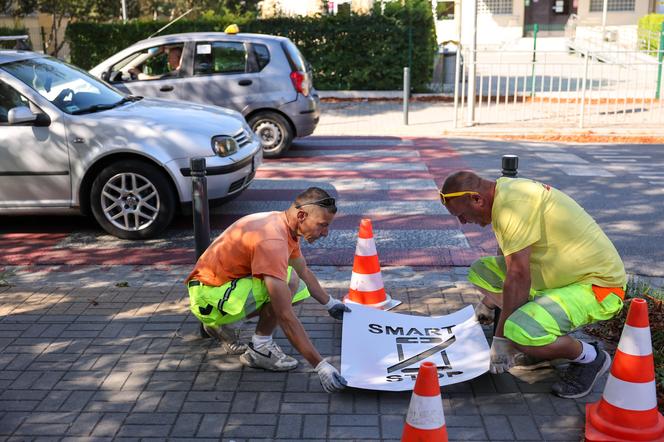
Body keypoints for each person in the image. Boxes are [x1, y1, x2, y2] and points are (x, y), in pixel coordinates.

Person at [440, 171, 626, 399]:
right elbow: (511, 266)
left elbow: (518, 275)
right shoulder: (504, 195)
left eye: (462, 214)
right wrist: (488, 302)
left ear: (476, 199)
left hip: (597, 287)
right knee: (482, 271)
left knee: (519, 331)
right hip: (561, 277)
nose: (463, 222)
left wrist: (501, 339)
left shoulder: (512, 207)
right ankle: (540, 338)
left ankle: (590, 358)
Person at [185, 187, 351, 393]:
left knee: (296, 283)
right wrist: (320, 365)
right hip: (207, 298)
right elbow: (284, 314)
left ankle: (221, 326)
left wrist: (330, 303)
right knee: (288, 282)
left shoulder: (283, 225)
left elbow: (304, 270)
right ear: (302, 215)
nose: (325, 233)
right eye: (322, 225)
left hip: (215, 290)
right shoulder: (273, 241)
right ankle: (260, 349)